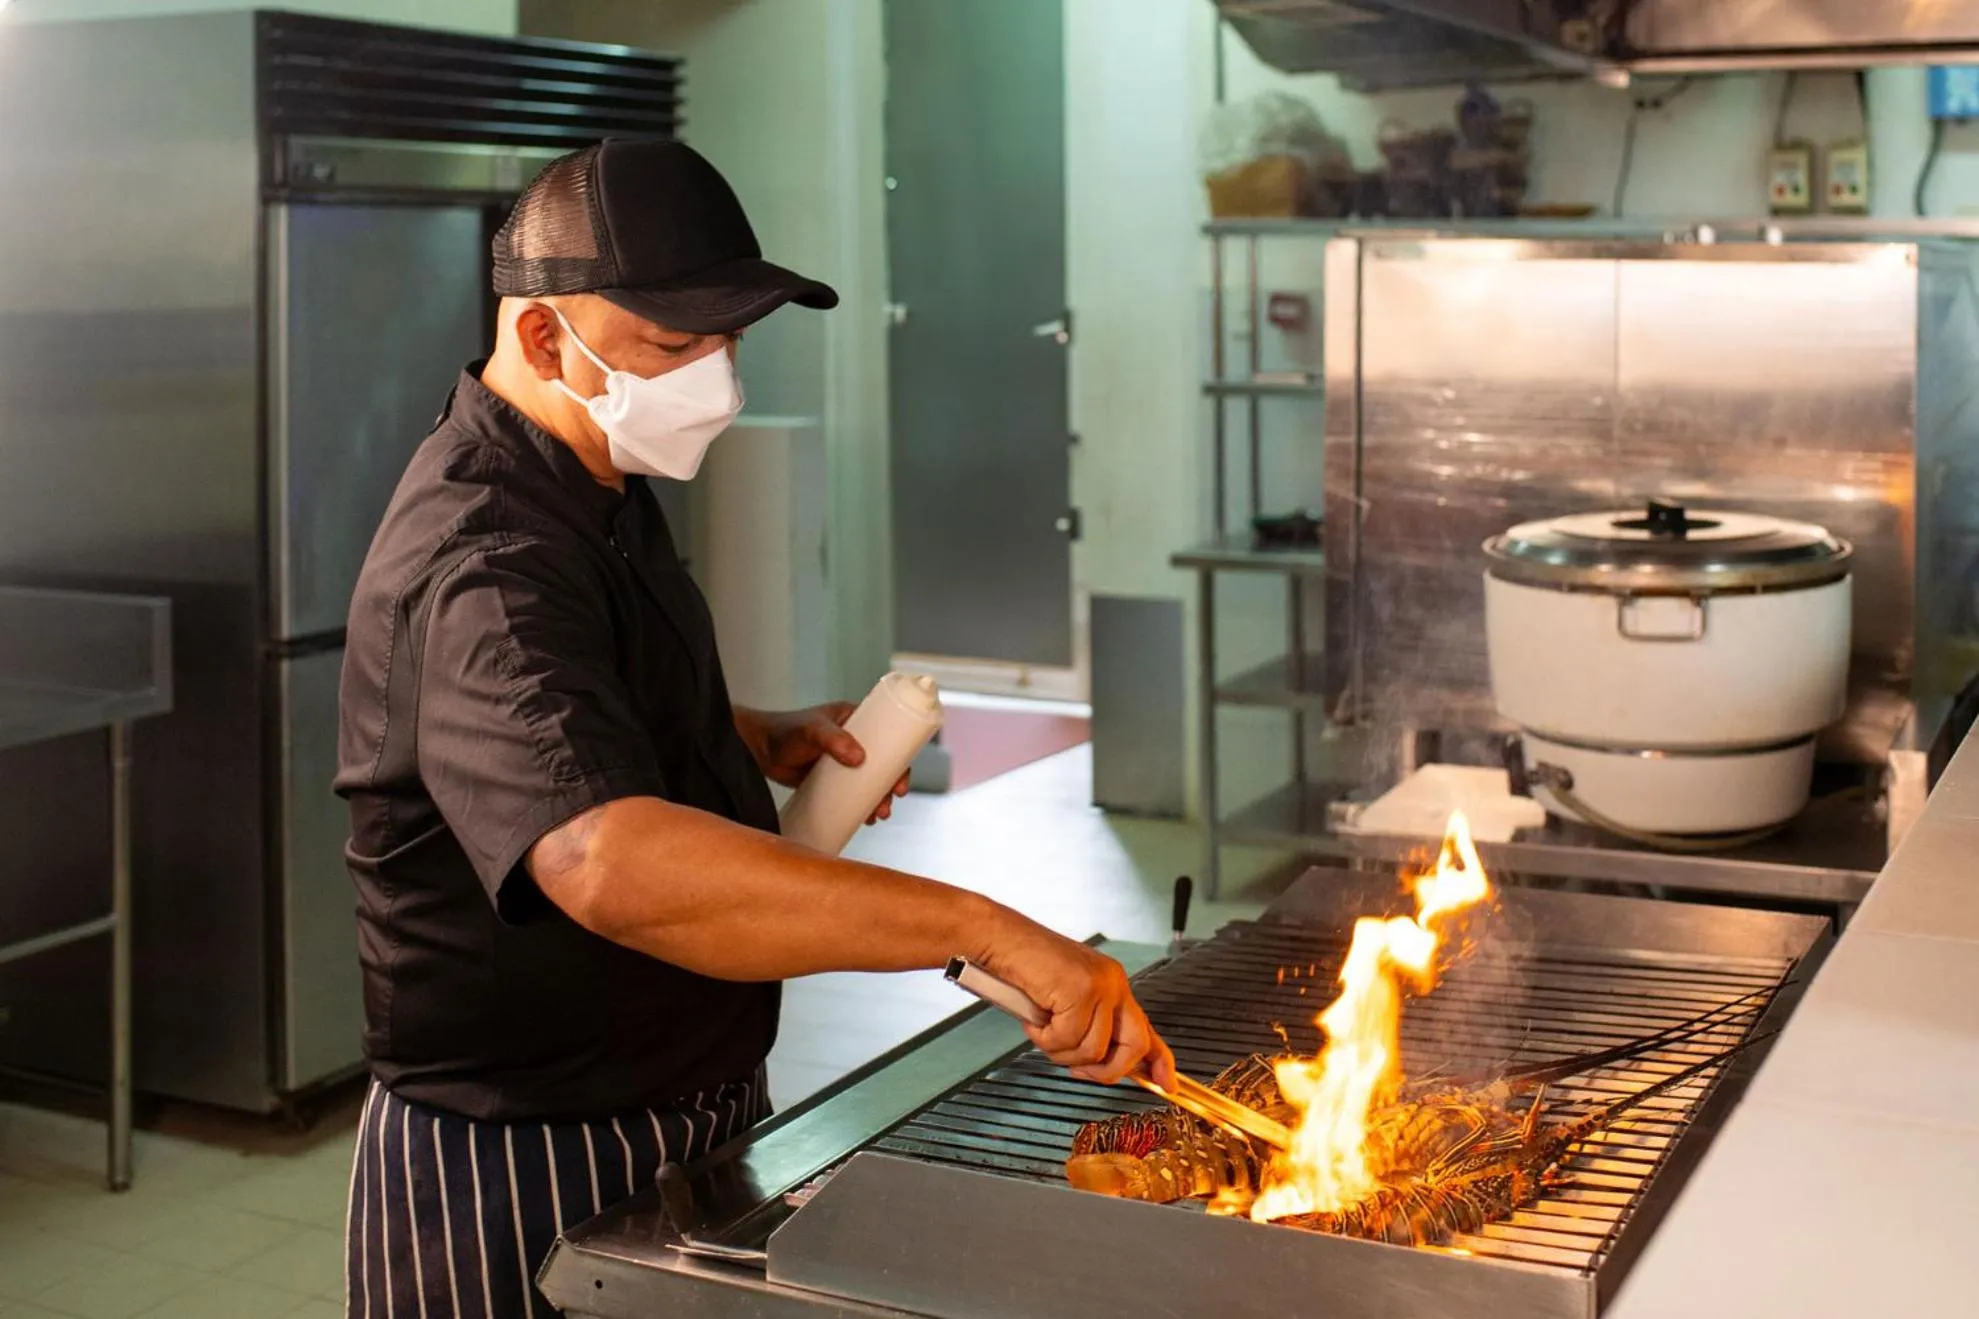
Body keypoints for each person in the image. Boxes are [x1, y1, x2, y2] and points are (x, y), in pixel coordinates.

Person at [333, 138, 1173, 1319]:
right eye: (675, 347)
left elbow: (559, 706)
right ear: (539, 339)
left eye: (729, 340)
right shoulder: (487, 553)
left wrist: (737, 730)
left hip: (682, 1099)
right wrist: (982, 925)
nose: (714, 380)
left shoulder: (591, 479)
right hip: (523, 1147)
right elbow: (601, 856)